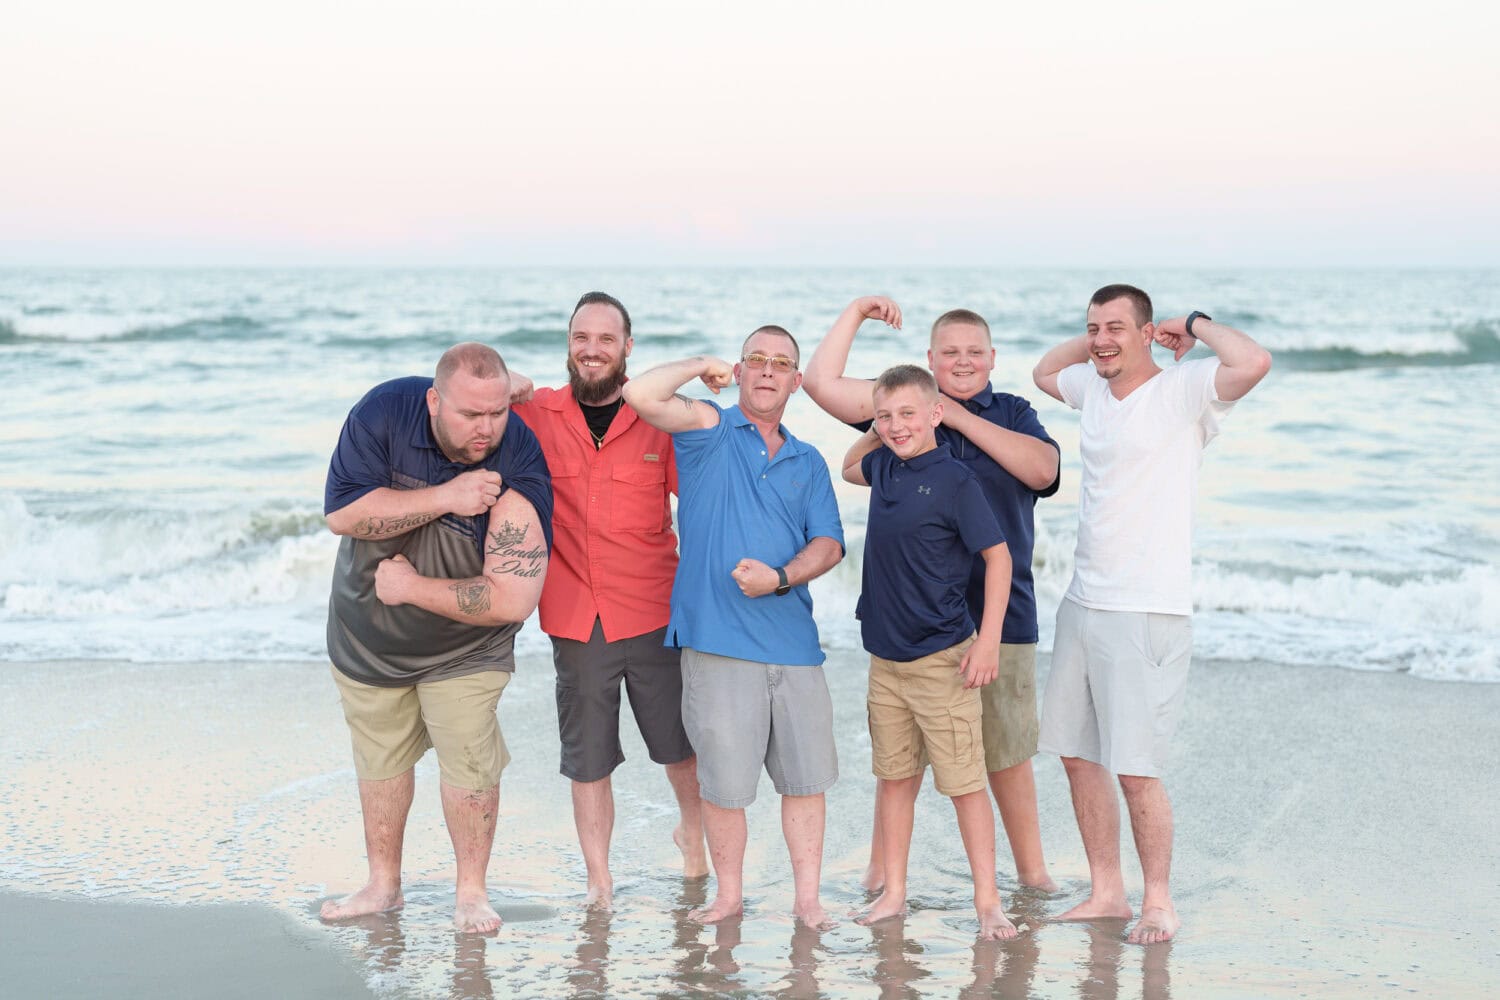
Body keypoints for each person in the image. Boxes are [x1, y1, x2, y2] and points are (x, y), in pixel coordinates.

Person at [1031, 284, 1272, 944]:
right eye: (1092, 327)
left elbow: (1253, 362)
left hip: (1146, 609)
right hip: (1082, 603)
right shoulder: (1093, 389)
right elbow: (1044, 372)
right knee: (1078, 758)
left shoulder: (1183, 391)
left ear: (1147, 334)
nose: (1101, 338)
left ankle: (1159, 900)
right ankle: (1107, 892)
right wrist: (1102, 343)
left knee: (1136, 770)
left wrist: (1189, 323)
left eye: (1115, 327)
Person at [803, 296, 1060, 894]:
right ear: (930, 358)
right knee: (900, 759)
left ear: (993, 358)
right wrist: (858, 312)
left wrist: (955, 417)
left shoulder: (1013, 412)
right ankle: (882, 871)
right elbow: (819, 383)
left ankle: (1032, 873)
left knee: (1004, 751)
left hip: (999, 615)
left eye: (975, 352)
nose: (963, 361)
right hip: (910, 620)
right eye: (950, 352)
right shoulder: (902, 406)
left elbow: (1043, 472)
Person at [320, 342, 553, 934]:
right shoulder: (383, 412)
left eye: (497, 412)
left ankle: (471, 893)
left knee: (470, 759)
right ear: (433, 399)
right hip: (367, 636)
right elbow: (343, 515)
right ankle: (382, 885)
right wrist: (449, 497)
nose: (487, 429)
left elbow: (511, 598)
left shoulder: (519, 457)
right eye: (470, 415)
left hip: (466, 647)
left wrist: (412, 587)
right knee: (380, 758)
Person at [621, 326, 845, 929]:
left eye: (782, 364)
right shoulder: (709, 430)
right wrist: (701, 364)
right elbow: (641, 394)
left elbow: (829, 543)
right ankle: (728, 898)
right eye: (756, 360)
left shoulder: (809, 460)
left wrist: (780, 577)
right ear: (740, 372)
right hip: (716, 643)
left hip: (795, 647)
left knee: (805, 782)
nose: (768, 371)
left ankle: (807, 902)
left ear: (798, 381)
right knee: (723, 786)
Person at [509, 291, 706, 910]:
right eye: (580, 338)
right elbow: (475, 390)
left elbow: (701, 511)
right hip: (575, 616)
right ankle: (600, 878)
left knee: (679, 745)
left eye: (605, 339)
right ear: (569, 345)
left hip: (654, 610)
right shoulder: (538, 414)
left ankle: (694, 843)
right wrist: (512, 380)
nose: (592, 350)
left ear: (627, 347)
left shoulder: (657, 419)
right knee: (588, 758)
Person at [840, 364, 1020, 940]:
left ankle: (989, 901)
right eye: (885, 415)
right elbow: (848, 467)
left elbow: (999, 558)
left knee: (965, 785)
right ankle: (894, 892)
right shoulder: (885, 465)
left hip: (944, 660)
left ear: (936, 414)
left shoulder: (958, 480)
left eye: (908, 415)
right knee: (894, 779)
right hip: (885, 661)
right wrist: (878, 428)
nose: (897, 426)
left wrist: (989, 639)